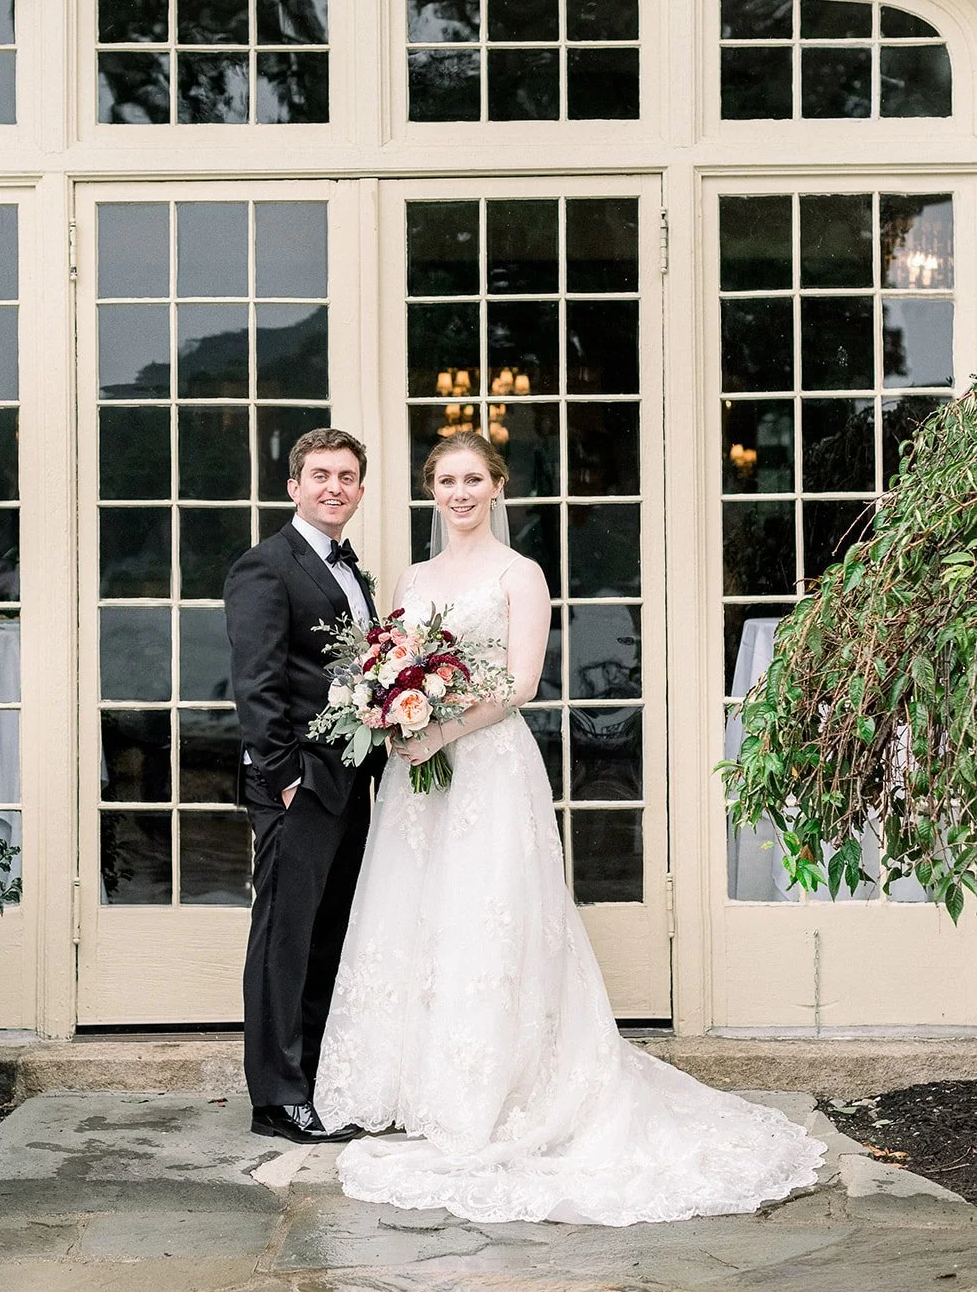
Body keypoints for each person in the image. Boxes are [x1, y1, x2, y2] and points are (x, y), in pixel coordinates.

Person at [314, 432, 825, 1225]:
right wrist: (393, 711)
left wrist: (443, 729)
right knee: (418, 916)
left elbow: (518, 681)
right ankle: (412, 1083)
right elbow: (389, 659)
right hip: (420, 779)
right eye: (446, 480)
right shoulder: (413, 578)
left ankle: (494, 1087)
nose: (459, 492)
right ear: (430, 489)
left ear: (497, 486)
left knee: (492, 920)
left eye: (472, 479)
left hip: (486, 767)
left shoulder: (521, 574)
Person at [224, 427, 385, 1144]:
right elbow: (255, 684)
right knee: (283, 938)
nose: (334, 487)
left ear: (358, 488)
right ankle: (276, 1097)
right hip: (298, 783)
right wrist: (285, 779)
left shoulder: (355, 572)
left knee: (327, 935)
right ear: (293, 486)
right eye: (320, 474)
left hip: (351, 780)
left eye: (347, 476)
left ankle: (313, 1077)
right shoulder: (265, 567)